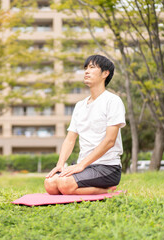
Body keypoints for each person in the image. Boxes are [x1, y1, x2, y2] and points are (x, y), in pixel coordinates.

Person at [45, 55, 126, 195]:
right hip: (85, 167)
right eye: (86, 68)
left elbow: (110, 141)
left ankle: (107, 191)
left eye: (92, 67)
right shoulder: (80, 106)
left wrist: (81, 165)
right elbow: (70, 139)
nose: (86, 71)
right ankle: (88, 186)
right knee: (50, 184)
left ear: (105, 74)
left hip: (107, 167)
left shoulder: (113, 101)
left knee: (64, 185)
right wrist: (60, 164)